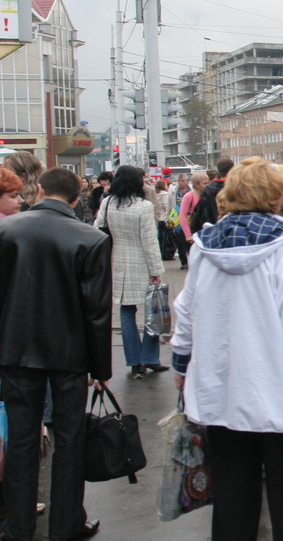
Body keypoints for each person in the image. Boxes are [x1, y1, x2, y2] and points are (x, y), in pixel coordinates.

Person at [171, 157, 283, 541]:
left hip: (222, 394)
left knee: (233, 498)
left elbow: (186, 311)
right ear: (274, 197)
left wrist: (182, 364)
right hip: (281, 397)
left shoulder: (204, 248)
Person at [0, 167, 110, 541]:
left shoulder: (7, 230)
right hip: (69, 353)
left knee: (22, 440)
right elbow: (97, 310)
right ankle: (65, 525)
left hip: (15, 350)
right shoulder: (90, 238)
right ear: (77, 198)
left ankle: (18, 527)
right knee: (69, 438)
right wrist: (101, 367)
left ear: (39, 190)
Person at [95, 165, 166, 379]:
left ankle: (134, 361)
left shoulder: (107, 203)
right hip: (141, 263)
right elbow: (149, 241)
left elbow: (98, 228)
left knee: (126, 313)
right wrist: (156, 269)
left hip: (116, 262)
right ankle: (150, 357)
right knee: (151, 312)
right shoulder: (143, 206)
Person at [189, 157, 234, 235]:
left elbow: (198, 213)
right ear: (233, 169)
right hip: (232, 231)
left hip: (211, 232)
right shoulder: (236, 188)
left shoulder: (208, 189)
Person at [176, 172, 209, 270]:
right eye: (205, 183)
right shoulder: (189, 196)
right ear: (197, 185)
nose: (208, 185)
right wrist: (187, 234)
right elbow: (182, 215)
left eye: (208, 183)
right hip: (191, 231)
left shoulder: (207, 195)